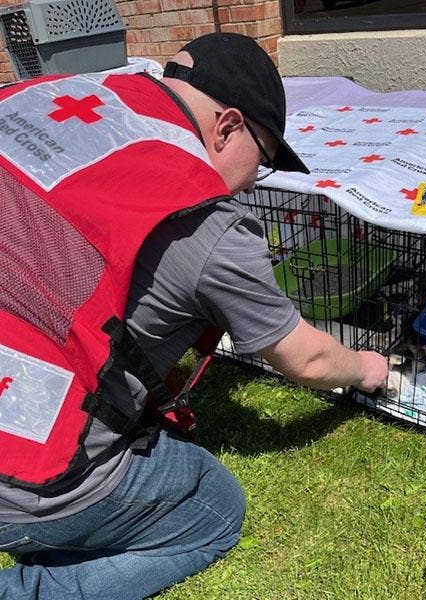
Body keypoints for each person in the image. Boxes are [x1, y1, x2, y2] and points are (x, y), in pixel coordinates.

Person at [0, 32, 388, 599]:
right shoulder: (205, 225)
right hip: (25, 463)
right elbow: (305, 357)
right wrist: (366, 368)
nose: (258, 177)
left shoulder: (48, 100)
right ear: (227, 126)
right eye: (266, 155)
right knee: (214, 508)